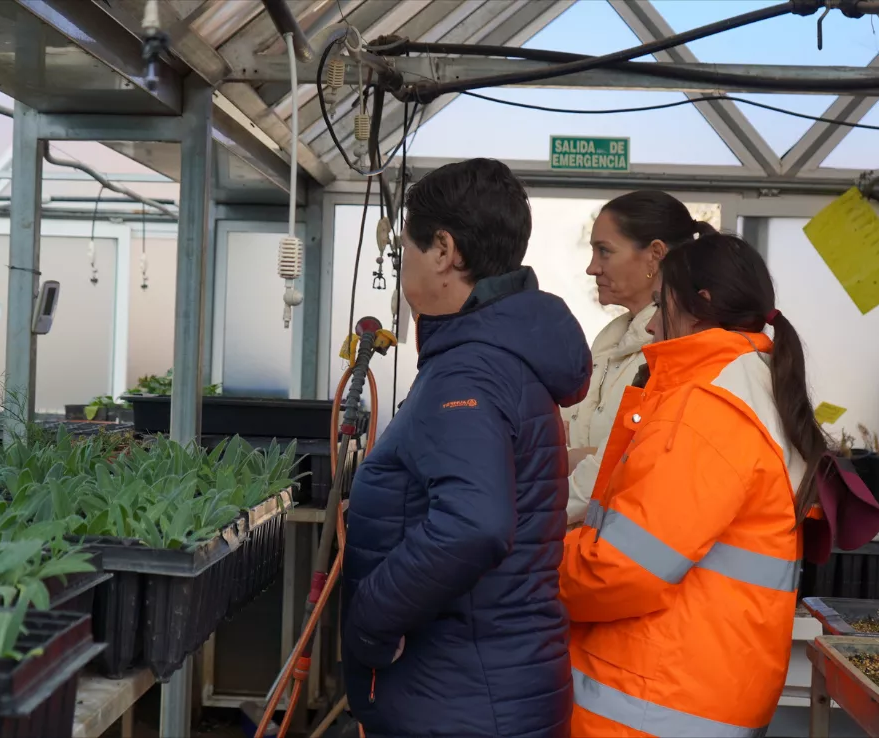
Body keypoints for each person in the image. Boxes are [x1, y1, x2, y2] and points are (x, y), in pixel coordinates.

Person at [341, 158, 592, 738]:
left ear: (444, 250)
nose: (400, 267)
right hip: (492, 684)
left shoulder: (469, 373)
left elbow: (473, 524)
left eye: (406, 249)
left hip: (465, 696)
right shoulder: (500, 354)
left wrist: (370, 621)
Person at [560, 227, 825, 736]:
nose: (653, 326)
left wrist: (537, 569)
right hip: (700, 691)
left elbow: (623, 568)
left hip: (651, 704)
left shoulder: (709, 409)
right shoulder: (754, 387)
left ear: (698, 305)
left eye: (661, 306)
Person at [566, 191, 707, 527]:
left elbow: (628, 462)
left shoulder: (683, 347)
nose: (592, 267)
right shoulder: (608, 342)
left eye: (604, 251)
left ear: (654, 255)